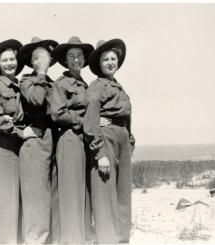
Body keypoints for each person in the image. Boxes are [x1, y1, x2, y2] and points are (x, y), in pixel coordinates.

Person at [0, 39, 39, 243]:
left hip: (21, 149)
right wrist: (20, 130)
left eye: (12, 59)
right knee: (5, 200)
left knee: (21, 199)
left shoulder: (22, 84)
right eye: (5, 60)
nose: (9, 63)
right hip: (2, 148)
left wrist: (16, 123)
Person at [83, 39, 136, 243]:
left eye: (113, 58)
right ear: (99, 63)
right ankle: (107, 239)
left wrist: (129, 141)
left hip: (122, 139)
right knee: (105, 196)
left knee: (123, 193)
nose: (110, 62)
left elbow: (127, 116)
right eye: (106, 59)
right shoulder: (97, 86)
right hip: (106, 140)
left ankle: (122, 238)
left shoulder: (118, 86)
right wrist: (100, 153)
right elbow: (90, 122)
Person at [49, 36, 94, 243]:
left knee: (82, 190)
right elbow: (57, 113)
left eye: (79, 56)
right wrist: (84, 120)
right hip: (69, 139)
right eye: (71, 56)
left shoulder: (86, 84)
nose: (76, 60)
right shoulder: (61, 83)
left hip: (83, 139)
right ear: (65, 60)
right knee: (71, 191)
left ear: (84, 59)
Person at [18, 37, 58, 243]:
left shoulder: (54, 83)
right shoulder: (26, 80)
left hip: (54, 141)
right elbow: (36, 99)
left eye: (45, 56)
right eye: (37, 57)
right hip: (35, 143)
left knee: (51, 195)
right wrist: (41, 74)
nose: (41, 60)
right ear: (32, 62)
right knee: (36, 197)